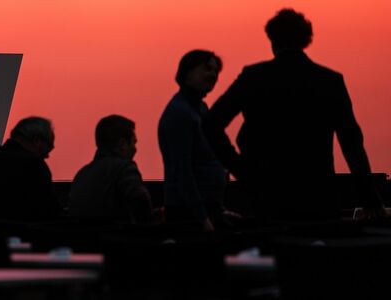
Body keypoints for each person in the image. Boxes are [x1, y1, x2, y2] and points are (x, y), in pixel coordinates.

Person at [203, 9, 385, 220]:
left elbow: (211, 124)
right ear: (307, 40)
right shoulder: (329, 81)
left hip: (265, 196)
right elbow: (351, 142)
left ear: (272, 40)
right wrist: (370, 197)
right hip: (317, 195)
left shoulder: (253, 77)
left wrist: (241, 170)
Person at [159, 50, 229, 231]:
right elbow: (182, 169)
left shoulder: (200, 109)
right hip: (189, 214)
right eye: (207, 69)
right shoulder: (180, 113)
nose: (213, 75)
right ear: (187, 72)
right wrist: (202, 217)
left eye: (216, 71)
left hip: (208, 209)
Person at [0, 116, 61, 219]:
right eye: (49, 147)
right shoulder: (34, 167)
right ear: (37, 140)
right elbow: (51, 212)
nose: (47, 156)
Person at [69, 115, 153, 223]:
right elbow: (141, 205)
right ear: (122, 144)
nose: (135, 149)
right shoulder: (124, 168)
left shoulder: (81, 175)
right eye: (133, 142)